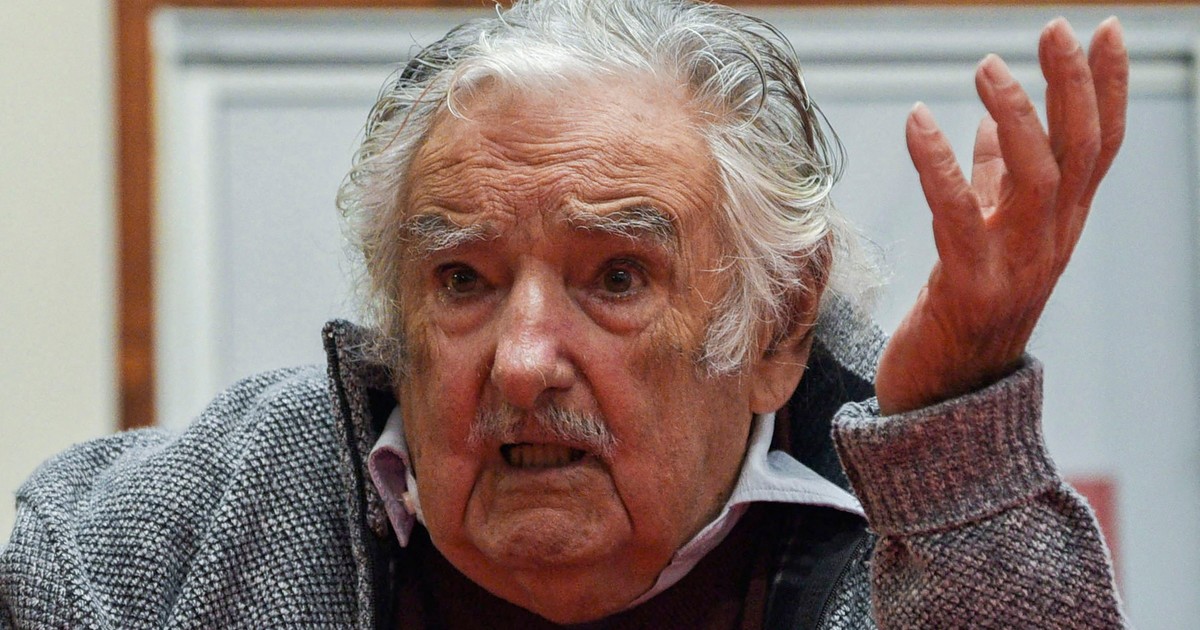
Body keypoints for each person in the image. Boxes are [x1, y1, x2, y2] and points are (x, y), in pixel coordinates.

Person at [1, 0, 1129, 627]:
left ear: (778, 328)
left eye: (618, 278)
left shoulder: (914, 533)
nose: (524, 361)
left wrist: (954, 438)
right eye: (463, 281)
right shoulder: (158, 551)